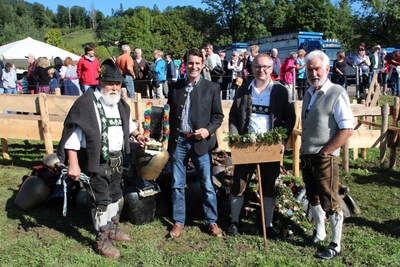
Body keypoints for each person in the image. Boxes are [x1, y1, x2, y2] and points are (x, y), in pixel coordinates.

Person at [56, 59, 150, 259]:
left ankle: (113, 229)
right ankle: (102, 238)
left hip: (117, 161)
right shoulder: (85, 104)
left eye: (117, 83)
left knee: (116, 196)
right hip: (94, 162)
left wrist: (137, 134)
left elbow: (127, 123)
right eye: (110, 82)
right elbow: (72, 136)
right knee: (102, 202)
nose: (114, 87)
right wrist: (73, 163)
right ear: (100, 82)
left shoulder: (119, 104)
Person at [227, 54, 296, 239]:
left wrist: (282, 139)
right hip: (245, 147)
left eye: (265, 66)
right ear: (252, 68)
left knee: (268, 186)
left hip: (270, 146)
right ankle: (234, 222)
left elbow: (290, 117)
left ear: (271, 68)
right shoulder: (243, 90)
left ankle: (268, 224)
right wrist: (235, 138)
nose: (261, 70)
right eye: (257, 66)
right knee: (239, 184)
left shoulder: (280, 92)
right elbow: (233, 116)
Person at [301, 50, 354, 260]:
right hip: (307, 155)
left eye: (317, 69)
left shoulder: (337, 93)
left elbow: (347, 128)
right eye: (310, 69)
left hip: (325, 157)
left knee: (329, 200)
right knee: (312, 197)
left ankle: (335, 243)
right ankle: (320, 233)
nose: (314, 73)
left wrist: (326, 151)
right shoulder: (309, 92)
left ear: (327, 69)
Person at [167, 49, 224, 238]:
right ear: (185, 64)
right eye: (190, 63)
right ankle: (178, 221)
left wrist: (208, 130)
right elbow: (169, 114)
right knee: (177, 184)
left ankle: (211, 221)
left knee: (207, 183)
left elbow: (218, 116)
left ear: (202, 64)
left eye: (197, 63)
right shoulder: (175, 87)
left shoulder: (212, 88)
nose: (194, 66)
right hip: (179, 141)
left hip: (200, 142)